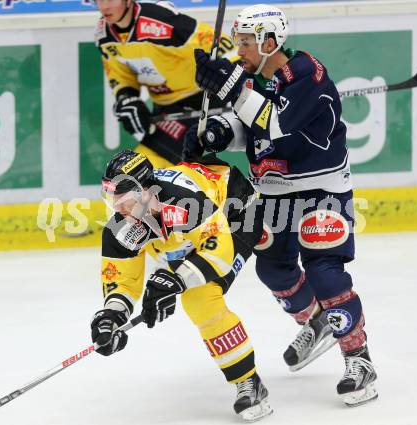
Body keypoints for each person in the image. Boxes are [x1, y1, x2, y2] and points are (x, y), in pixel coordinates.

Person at [183, 4, 378, 407]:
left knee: (325, 273)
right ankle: (315, 320)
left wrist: (233, 87)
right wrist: (217, 133)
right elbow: (253, 132)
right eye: (237, 41)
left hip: (320, 192)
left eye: (247, 42)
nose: (240, 49)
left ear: (271, 42)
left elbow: (275, 123)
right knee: (272, 266)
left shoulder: (306, 74)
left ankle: (359, 359)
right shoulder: (258, 80)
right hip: (274, 192)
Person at [90, 149, 273, 422]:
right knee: (186, 281)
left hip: (236, 210)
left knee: (200, 297)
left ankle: (249, 381)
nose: (117, 209)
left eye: (124, 200)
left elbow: (218, 252)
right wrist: (112, 315)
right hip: (189, 236)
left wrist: (177, 280)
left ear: (146, 192)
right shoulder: (122, 226)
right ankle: (308, 312)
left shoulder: (185, 202)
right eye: (111, 199)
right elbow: (123, 280)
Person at [94, 0, 236, 168]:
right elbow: (120, 75)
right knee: (142, 170)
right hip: (170, 107)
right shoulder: (104, 34)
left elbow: (222, 45)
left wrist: (237, 76)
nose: (104, 7)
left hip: (209, 95)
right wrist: (127, 97)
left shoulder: (160, 21)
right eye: (99, 0)